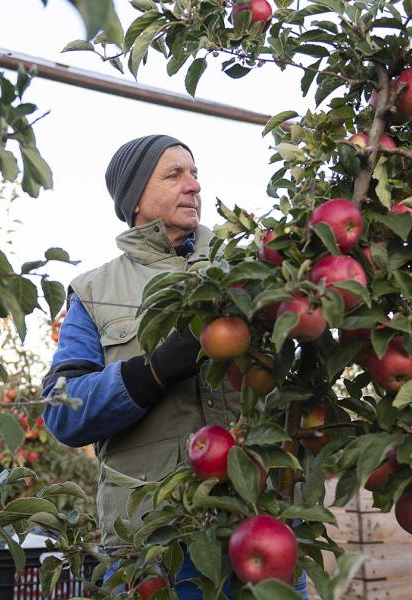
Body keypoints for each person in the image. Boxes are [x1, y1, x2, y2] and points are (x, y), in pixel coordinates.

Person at [41, 135, 308, 599]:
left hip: (266, 522)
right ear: (135, 199)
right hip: (158, 546)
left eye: (195, 173)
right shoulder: (92, 290)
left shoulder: (245, 266)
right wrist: (154, 371)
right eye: (174, 174)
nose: (194, 185)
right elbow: (62, 412)